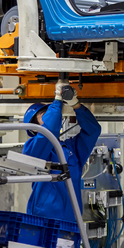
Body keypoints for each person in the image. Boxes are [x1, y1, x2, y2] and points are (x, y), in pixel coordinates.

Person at [23, 79, 101, 223]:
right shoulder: (32, 149)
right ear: (33, 128)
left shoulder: (69, 149)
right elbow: (50, 129)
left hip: (72, 221)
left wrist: (75, 104)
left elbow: (93, 130)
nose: (50, 115)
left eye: (49, 112)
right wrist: (57, 100)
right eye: (43, 115)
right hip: (44, 221)